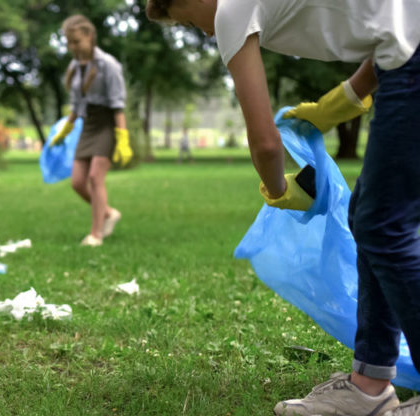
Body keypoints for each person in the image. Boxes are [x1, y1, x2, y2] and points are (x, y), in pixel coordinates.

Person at [146, 0, 420, 414]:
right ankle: (369, 384)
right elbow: (393, 27)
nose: (203, 33)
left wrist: (278, 192)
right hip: (402, 62)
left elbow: (266, 143)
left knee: (382, 226)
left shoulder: (230, 11)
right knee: (371, 219)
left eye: (187, 21)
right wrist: (342, 100)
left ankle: (370, 384)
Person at [50, 14, 133, 247]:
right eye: (69, 42)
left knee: (96, 178)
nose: (72, 47)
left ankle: (96, 234)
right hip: (87, 125)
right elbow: (76, 106)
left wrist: (122, 138)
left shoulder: (109, 65)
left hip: (108, 123)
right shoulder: (75, 66)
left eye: (76, 41)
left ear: (89, 36)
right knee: (77, 182)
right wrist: (65, 130)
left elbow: (118, 106)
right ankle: (108, 212)